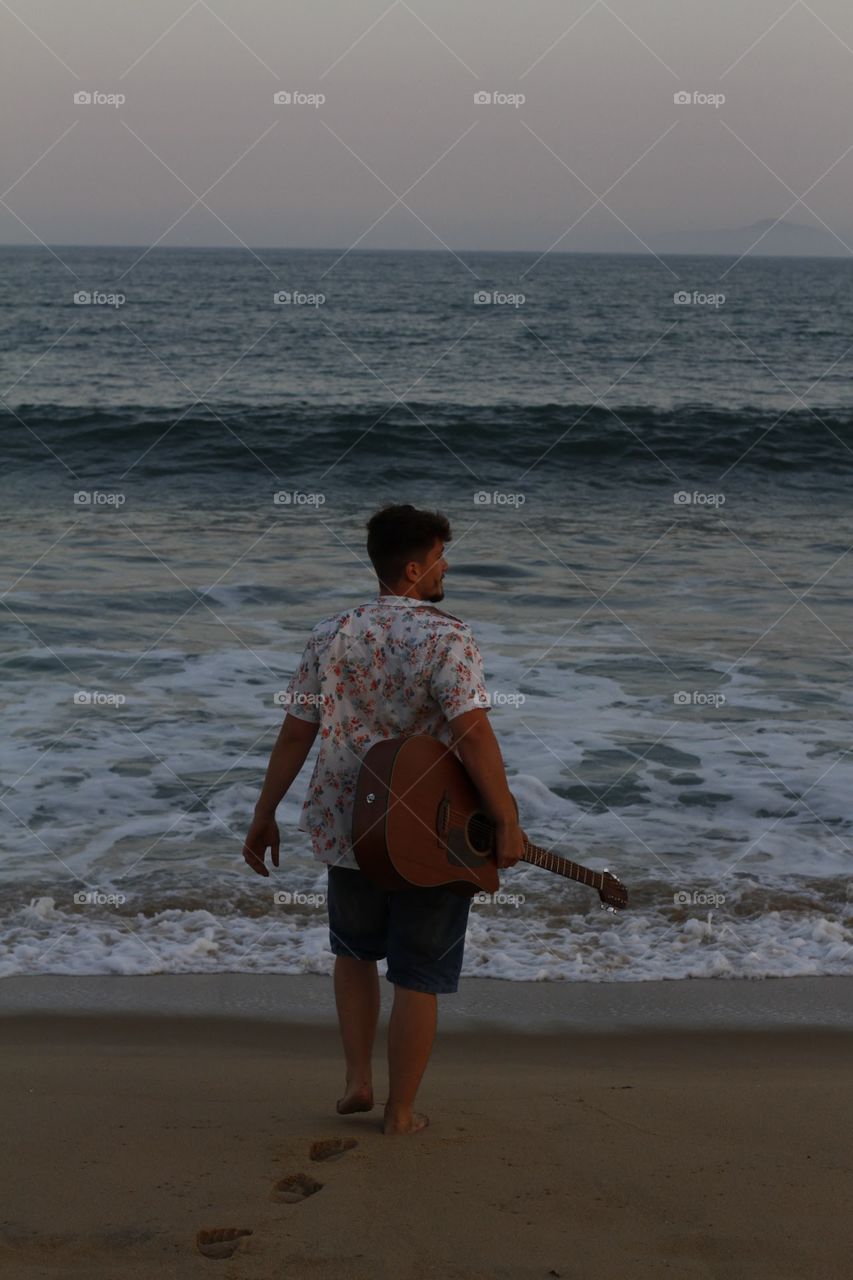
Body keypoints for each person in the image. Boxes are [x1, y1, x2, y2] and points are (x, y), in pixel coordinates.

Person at [242, 503, 523, 1135]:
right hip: (429, 833)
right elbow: (473, 736)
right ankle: (400, 1113)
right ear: (416, 567)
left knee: (354, 953)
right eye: (441, 558)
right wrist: (505, 818)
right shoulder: (448, 636)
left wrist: (264, 814)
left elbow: (295, 735)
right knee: (418, 974)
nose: (446, 568)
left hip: (350, 827)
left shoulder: (330, 634)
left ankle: (357, 1081)